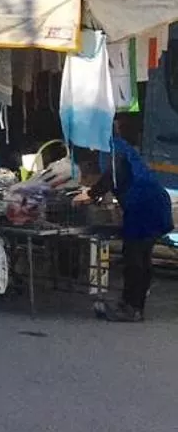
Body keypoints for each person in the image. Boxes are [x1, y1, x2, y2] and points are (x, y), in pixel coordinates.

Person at [76, 137, 173, 322]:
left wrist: (90, 194)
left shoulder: (112, 149)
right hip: (153, 202)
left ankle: (132, 308)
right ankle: (133, 304)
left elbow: (112, 175)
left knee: (135, 258)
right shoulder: (120, 146)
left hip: (143, 205)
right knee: (141, 257)